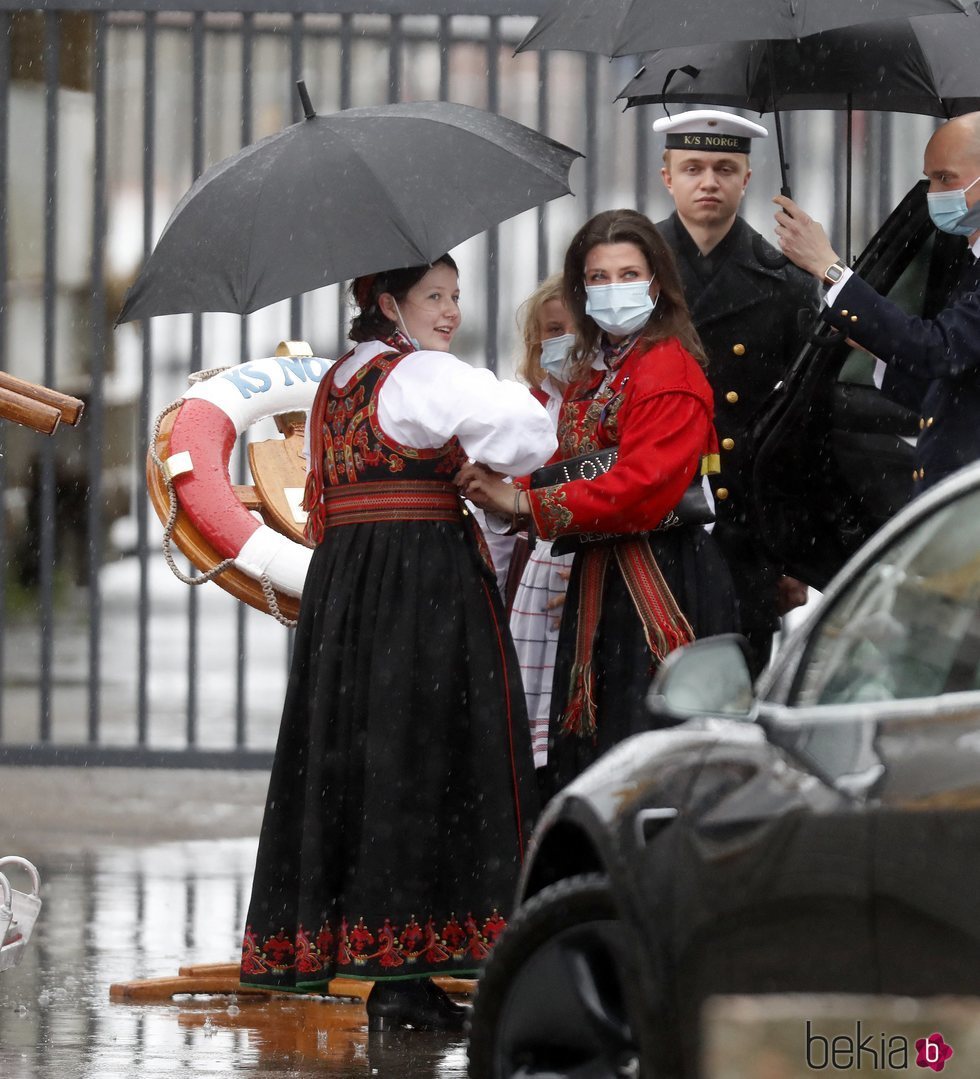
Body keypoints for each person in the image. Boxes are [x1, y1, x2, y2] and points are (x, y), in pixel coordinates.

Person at [239, 254, 557, 1032]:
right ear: (387, 301)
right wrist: (507, 400)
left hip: (348, 591)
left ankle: (386, 971)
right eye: (433, 297)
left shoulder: (334, 384)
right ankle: (405, 978)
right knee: (430, 760)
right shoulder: (422, 377)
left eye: (455, 296)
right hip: (423, 586)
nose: (449, 312)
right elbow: (530, 434)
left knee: (361, 764)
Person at [459, 210, 738, 795]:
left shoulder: (667, 369)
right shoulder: (602, 370)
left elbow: (642, 487)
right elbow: (573, 466)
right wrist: (505, 487)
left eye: (628, 274)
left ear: (656, 284)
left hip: (660, 580)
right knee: (599, 751)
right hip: (602, 578)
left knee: (649, 748)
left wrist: (526, 505)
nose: (614, 290)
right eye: (599, 277)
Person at [653, 110, 818, 674]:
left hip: (745, 532)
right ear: (666, 176)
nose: (709, 182)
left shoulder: (786, 282)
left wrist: (791, 555)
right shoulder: (629, 274)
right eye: (692, 167)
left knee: (732, 707)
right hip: (650, 520)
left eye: (725, 168)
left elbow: (802, 427)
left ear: (747, 179)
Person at [773, 111, 980, 494]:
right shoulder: (970, 264)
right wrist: (871, 343)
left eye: (945, 178)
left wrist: (829, 268)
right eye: (930, 178)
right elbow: (953, 393)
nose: (933, 195)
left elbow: (937, 349)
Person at [508, 273, 577, 771]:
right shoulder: (520, 411)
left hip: (595, 566)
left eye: (576, 329)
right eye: (553, 330)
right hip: (537, 572)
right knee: (530, 714)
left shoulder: (616, 405)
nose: (566, 343)